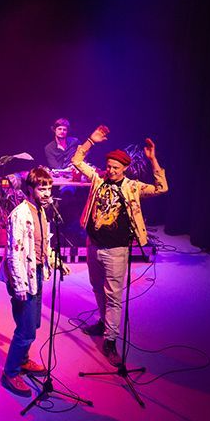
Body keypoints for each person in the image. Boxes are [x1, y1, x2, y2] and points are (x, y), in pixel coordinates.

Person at [70, 125, 167, 366]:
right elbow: (77, 160)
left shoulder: (132, 187)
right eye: (109, 166)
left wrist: (153, 160)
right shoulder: (98, 179)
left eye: (116, 167)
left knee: (114, 296)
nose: (111, 170)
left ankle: (111, 340)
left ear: (125, 168)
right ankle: (103, 322)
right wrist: (91, 141)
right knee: (96, 287)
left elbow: (161, 188)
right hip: (93, 245)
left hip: (117, 250)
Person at [0, 166, 69, 397]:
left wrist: (55, 261)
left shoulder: (42, 211)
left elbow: (42, 245)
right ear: (31, 188)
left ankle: (24, 359)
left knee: (34, 324)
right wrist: (19, 286)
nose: (47, 193)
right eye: (42, 188)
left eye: (49, 188)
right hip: (23, 278)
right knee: (26, 329)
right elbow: (14, 253)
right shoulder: (20, 214)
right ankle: (10, 372)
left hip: (36, 273)